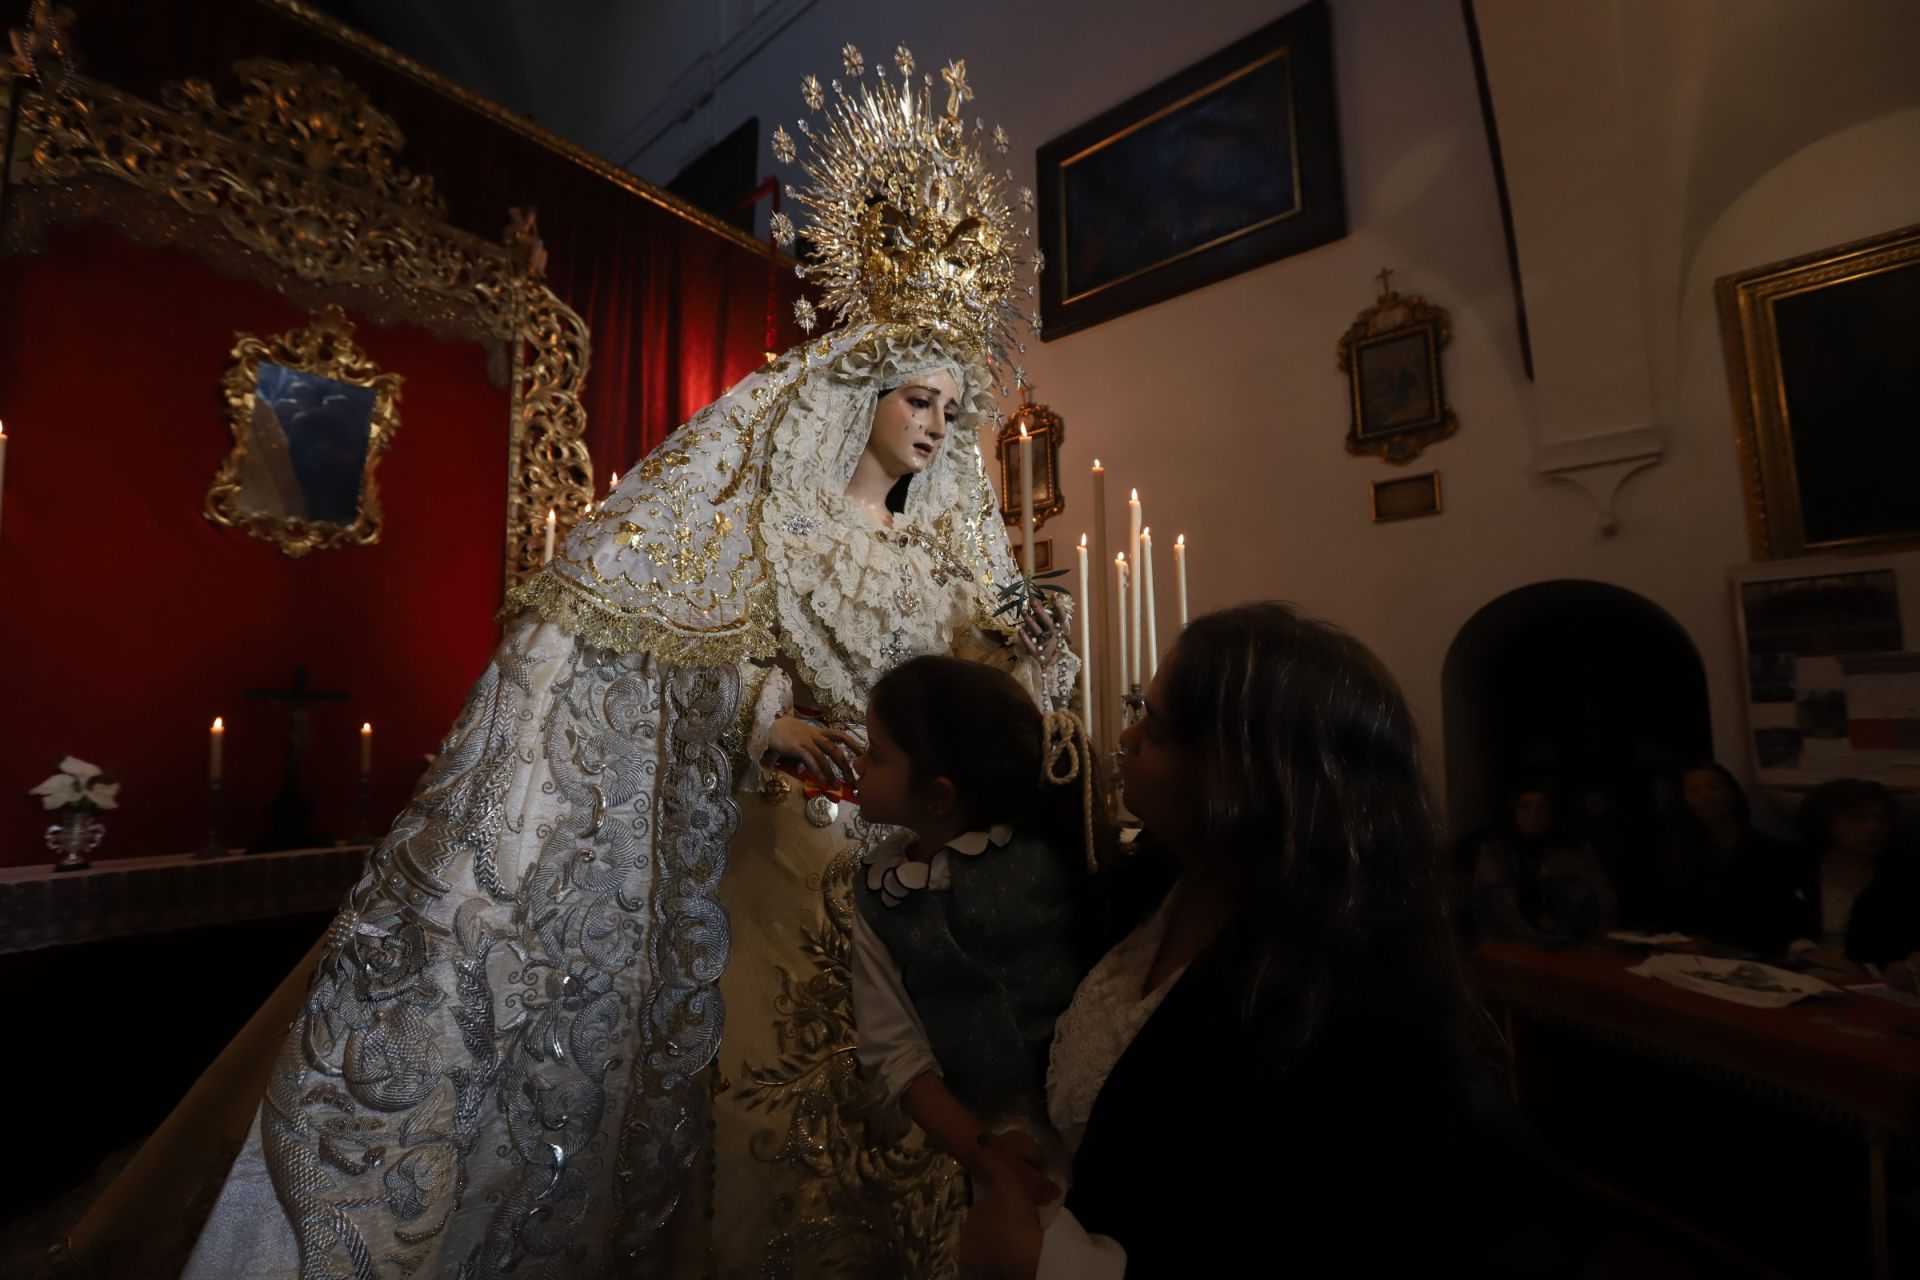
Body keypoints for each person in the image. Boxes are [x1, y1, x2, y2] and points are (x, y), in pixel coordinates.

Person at [121, 40, 1069, 1280]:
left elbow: (982, 685)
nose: (938, 427)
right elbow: (714, 642)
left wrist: (1020, 646)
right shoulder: (777, 517)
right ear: (856, 395)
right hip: (796, 849)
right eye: (917, 398)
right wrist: (763, 721)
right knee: (767, 1109)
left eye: (951, 406)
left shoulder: (951, 552)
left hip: (919, 856)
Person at [959, 603, 1593, 1279]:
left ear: (1243, 780)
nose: (1126, 736)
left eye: (1159, 728)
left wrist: (1036, 1265)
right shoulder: (1154, 885)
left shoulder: (1346, 1000)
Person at [848, 655, 1110, 1216]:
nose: (858, 761)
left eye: (876, 752)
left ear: (938, 796)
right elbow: (895, 1049)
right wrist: (984, 1153)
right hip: (991, 1146)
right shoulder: (880, 892)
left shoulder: (1051, 860)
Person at [1770, 779, 1920, 979]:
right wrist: (1807, 951)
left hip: (1873, 980)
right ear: (1826, 823)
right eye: (1857, 818)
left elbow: (1908, 940)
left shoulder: (1904, 872)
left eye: (1881, 819)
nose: (1873, 828)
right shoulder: (1794, 862)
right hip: (1799, 971)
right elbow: (1767, 920)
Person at [1642, 760, 1788, 939]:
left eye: (1714, 788)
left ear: (1732, 793)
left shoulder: (1767, 850)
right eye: (1692, 791)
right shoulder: (1677, 849)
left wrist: (1713, 942)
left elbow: (1772, 917)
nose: (1704, 797)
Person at [1471, 785, 1616, 944]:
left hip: (1571, 943)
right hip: (1511, 944)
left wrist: (1590, 936)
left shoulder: (1578, 852)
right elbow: (1490, 907)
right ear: (1514, 812)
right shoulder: (1496, 852)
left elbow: (1602, 899)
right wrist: (1535, 941)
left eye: (1542, 808)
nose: (1533, 814)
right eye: (1525, 807)